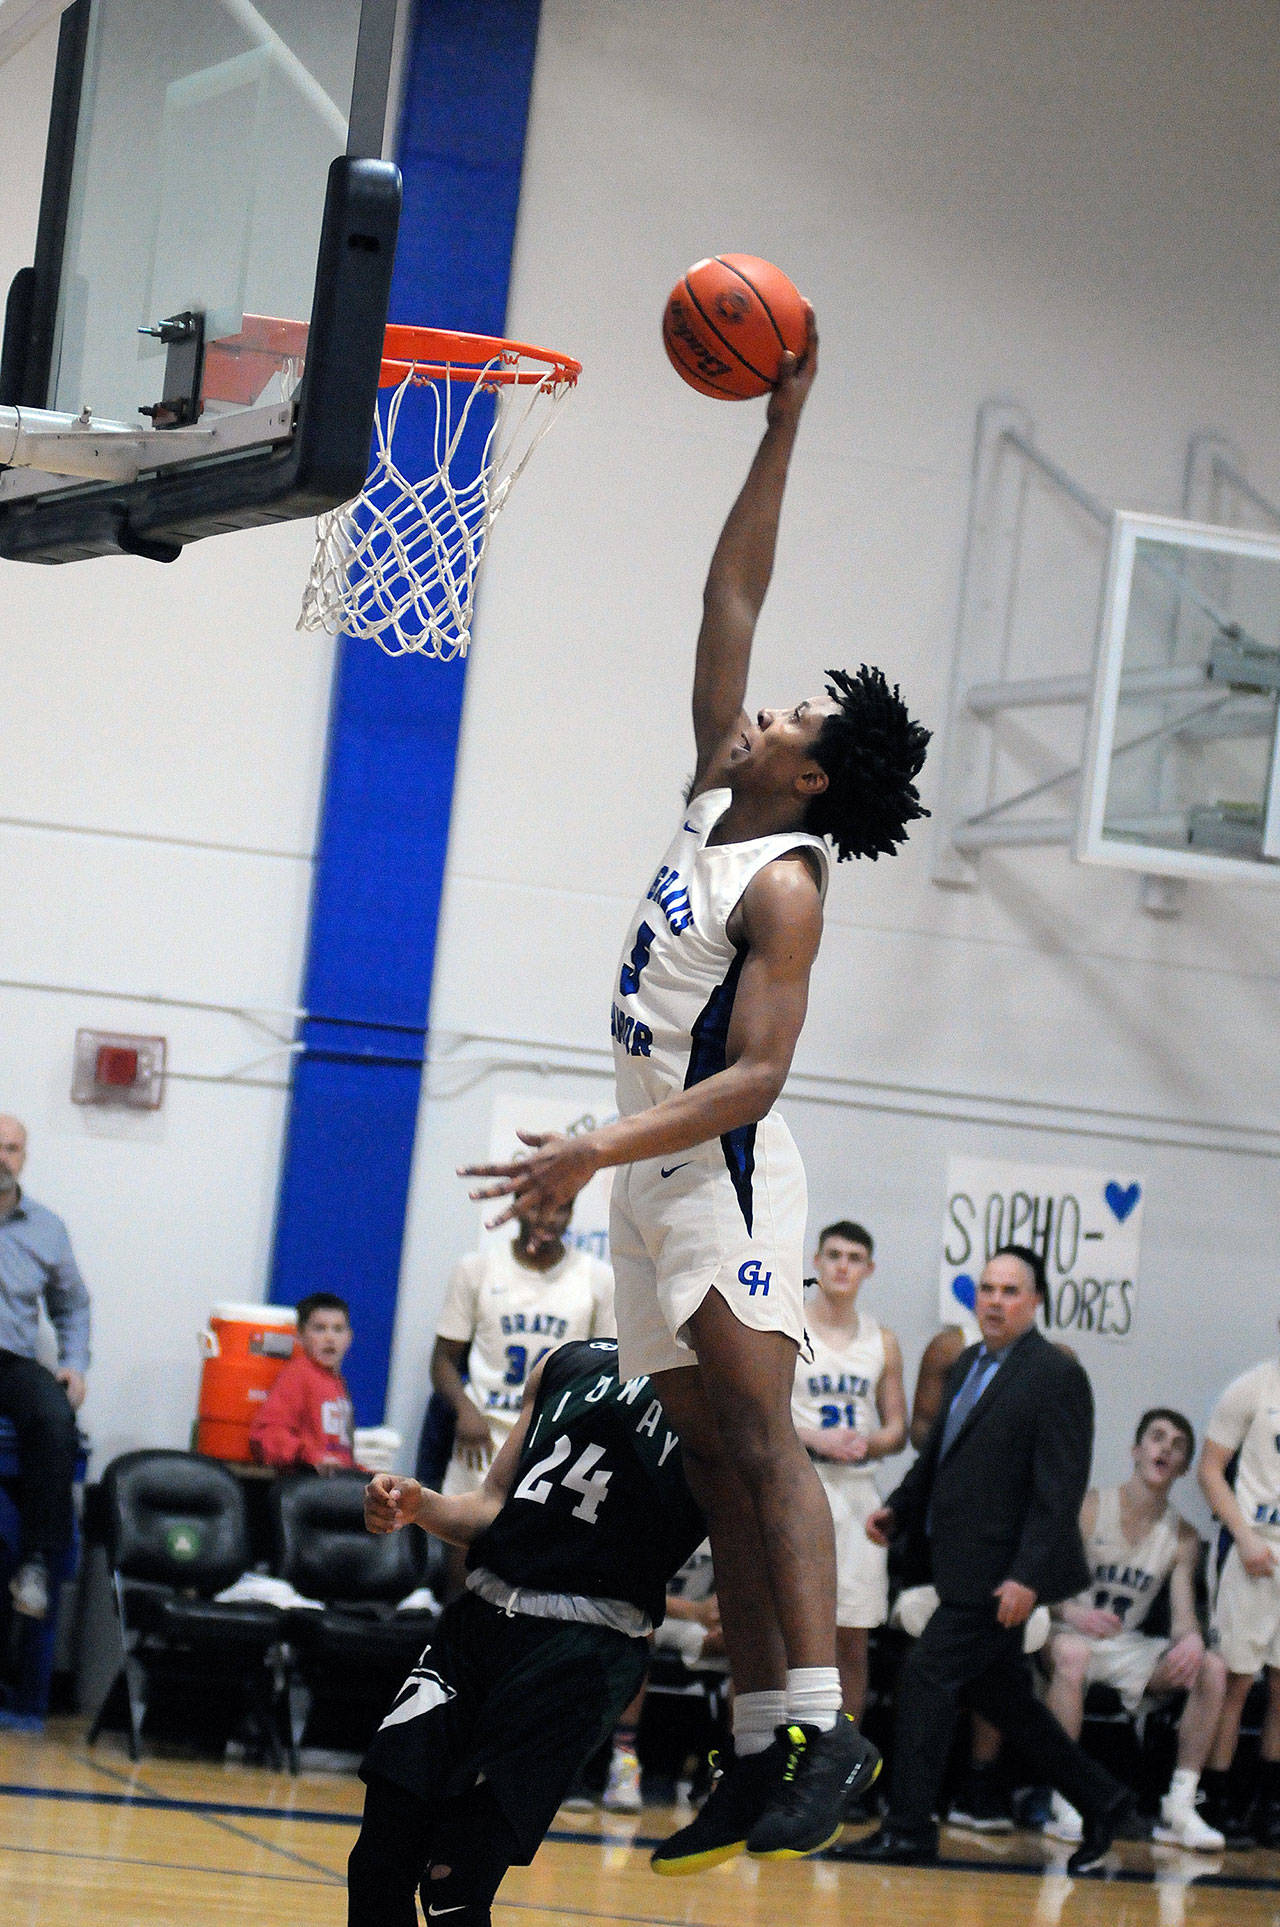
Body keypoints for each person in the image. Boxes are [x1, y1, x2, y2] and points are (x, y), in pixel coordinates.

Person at [460, 311, 926, 1866]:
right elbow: (731, 588)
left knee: (760, 1429)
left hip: (715, 1165)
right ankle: (751, 1737)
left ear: (812, 775)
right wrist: (776, 425)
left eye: (793, 714)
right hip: (651, 1176)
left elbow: (756, 1074)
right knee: (707, 1453)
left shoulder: (788, 881)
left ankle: (827, 1726)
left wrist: (598, 1138)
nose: (767, 702)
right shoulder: (717, 788)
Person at [347, 1338, 707, 1927]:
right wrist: (422, 1504)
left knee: (455, 1878)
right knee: (380, 1859)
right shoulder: (567, 1361)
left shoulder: (727, 1395)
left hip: (582, 1645)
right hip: (479, 1620)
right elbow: (492, 1503)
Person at [840, 1246, 1130, 1877]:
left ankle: (909, 1830)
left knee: (923, 1679)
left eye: (1010, 1291)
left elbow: (1059, 1489)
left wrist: (1027, 1576)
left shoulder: (1056, 1374)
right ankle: (1104, 1799)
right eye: (987, 1289)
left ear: (1036, 1302)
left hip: (1000, 1576)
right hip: (960, 1565)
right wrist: (899, 1509)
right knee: (1006, 1700)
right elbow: (940, 1455)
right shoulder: (969, 1360)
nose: (996, 1301)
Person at [1041, 1408, 1226, 1850]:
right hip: (1069, 1632)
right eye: (1157, 1437)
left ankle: (1179, 1805)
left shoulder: (1182, 1536)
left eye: (1177, 1444)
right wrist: (1075, 1615)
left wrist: (1193, 1639)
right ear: (1136, 1451)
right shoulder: (1090, 1507)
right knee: (1073, 1655)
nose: (1166, 1447)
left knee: (1213, 1667)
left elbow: (1182, 1618)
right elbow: (1045, 1590)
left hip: (1127, 1647)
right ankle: (1065, 1795)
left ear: (1182, 1466)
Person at [430, 1201, 614, 1595]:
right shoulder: (477, 1269)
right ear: (517, 1209)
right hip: (482, 1439)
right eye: (539, 1209)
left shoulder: (598, 1279)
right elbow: (443, 1360)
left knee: (537, 1586)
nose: (549, 1218)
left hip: (555, 1445)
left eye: (561, 1210)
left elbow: (609, 1365)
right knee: (461, 1585)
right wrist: (465, 1412)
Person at [790, 1219, 905, 1722]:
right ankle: (756, 1763)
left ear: (869, 1269)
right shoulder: (787, 1325)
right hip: (798, 1483)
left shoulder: (883, 1341)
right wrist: (818, 1439)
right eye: (833, 1255)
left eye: (854, 1258)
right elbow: (758, 1412)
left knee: (851, 1639)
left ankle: (839, 1771)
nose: (842, 1266)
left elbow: (897, 1430)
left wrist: (865, 1443)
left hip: (857, 1492)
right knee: (779, 1632)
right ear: (816, 1262)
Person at [0, 1116, 90, 1620]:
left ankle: (34, 1560)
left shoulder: (46, 1228)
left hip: (8, 1362)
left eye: (11, 1149)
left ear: (23, 1159)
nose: (2, 1158)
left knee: (55, 1415)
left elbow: (73, 1305)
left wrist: (74, 1365)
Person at [1196, 1336, 1280, 1847]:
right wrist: (1244, 1535)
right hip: (1255, 1548)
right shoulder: (1252, 1388)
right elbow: (1209, 1469)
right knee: (1237, 1681)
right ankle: (1216, 1794)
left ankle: (1270, 1802)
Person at [249, 1292, 358, 1473]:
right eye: (320, 1328)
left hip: (337, 1484)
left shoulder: (338, 1382)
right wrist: (308, 1455)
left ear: (349, 1337)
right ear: (299, 1335)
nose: (330, 1338)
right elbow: (266, 1434)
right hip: (306, 1484)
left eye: (338, 1329)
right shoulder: (297, 1375)